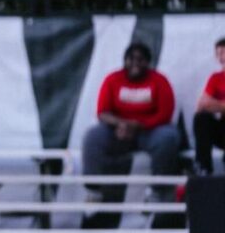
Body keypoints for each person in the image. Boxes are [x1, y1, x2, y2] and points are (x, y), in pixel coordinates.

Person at [82, 42, 179, 178]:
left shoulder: (160, 80)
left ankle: (159, 190)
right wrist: (121, 124)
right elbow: (102, 112)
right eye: (131, 59)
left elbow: (165, 114)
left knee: (168, 137)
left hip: (150, 131)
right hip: (118, 131)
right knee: (93, 136)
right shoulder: (112, 79)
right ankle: (93, 189)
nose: (135, 63)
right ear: (125, 61)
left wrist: (139, 125)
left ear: (148, 62)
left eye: (140, 59)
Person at [193, 37, 225, 175]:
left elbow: (209, 103)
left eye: (223, 52)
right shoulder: (216, 78)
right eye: (218, 53)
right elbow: (202, 105)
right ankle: (204, 167)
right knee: (201, 118)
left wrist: (217, 105)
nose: (221, 57)